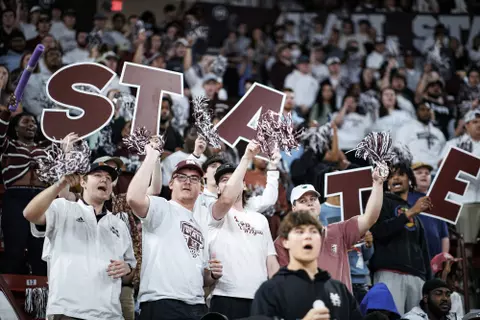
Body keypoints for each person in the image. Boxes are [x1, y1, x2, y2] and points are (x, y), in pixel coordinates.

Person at [126, 141, 261, 320]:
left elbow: (227, 200)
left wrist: (247, 158)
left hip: (196, 305)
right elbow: (134, 198)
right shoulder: (161, 207)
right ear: (171, 183)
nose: (188, 181)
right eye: (181, 177)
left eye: (194, 178)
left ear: (201, 188)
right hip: (162, 301)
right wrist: (151, 156)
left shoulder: (202, 220)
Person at [23, 161, 136, 319]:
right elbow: (30, 214)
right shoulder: (63, 208)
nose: (104, 180)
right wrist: (60, 183)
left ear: (111, 189)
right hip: (68, 312)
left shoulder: (119, 225)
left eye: (109, 178)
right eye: (97, 175)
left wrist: (127, 269)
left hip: (110, 314)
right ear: (83, 182)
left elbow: (129, 273)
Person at [275, 168, 385, 292]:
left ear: (318, 203)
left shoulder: (338, 230)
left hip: (340, 306)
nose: (310, 203)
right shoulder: (284, 240)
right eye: (303, 201)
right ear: (294, 208)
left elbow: (370, 218)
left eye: (313, 199)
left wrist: (378, 184)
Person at [251, 210, 362, 319]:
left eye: (313, 231)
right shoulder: (270, 291)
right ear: (285, 241)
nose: (307, 236)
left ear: (320, 240)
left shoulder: (339, 290)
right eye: (300, 232)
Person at [207, 162, 280, 319]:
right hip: (225, 297)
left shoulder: (260, 219)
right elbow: (226, 200)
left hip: (260, 299)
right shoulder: (213, 212)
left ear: (244, 185)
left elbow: (271, 261)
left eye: (235, 178)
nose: (230, 182)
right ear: (218, 188)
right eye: (224, 179)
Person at [370, 163, 432, 315]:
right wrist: (410, 213)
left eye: (400, 174)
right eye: (390, 176)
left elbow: (423, 251)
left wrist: (429, 284)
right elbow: (378, 231)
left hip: (417, 277)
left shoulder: (416, 215)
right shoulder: (381, 201)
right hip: (389, 273)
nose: (395, 178)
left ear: (410, 180)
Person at [0, 107, 50, 276]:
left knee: (40, 250)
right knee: (15, 247)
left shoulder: (46, 149)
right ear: (15, 127)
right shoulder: (8, 146)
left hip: (42, 198)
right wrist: (6, 113)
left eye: (34, 122)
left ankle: (40, 295)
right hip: (16, 197)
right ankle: (7, 295)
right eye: (26, 122)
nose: (31, 125)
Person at [410, 162, 449, 261]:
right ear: (410, 178)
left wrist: (443, 257)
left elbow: (444, 235)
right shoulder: (405, 198)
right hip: (413, 256)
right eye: (419, 173)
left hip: (434, 258)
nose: (424, 175)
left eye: (427, 173)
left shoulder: (436, 201)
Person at [431, 253, 464, 318]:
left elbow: (460, 317)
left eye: (453, 277)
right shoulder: (431, 296)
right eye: (449, 277)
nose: (454, 283)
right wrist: (445, 274)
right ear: (438, 275)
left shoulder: (455, 297)